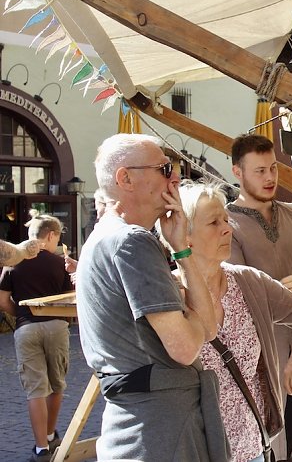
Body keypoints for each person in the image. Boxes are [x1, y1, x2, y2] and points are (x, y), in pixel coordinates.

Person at [75, 134, 225, 462]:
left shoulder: (103, 238)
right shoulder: (131, 242)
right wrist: (192, 318)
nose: (176, 178)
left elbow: (208, 330)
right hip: (161, 429)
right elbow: (187, 347)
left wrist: (181, 251)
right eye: (164, 168)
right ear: (124, 178)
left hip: (143, 423)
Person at [177, 181, 292, 462]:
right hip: (194, 453)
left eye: (226, 219)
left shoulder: (247, 282)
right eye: (214, 222)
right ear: (183, 237)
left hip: (253, 451)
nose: (228, 229)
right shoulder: (168, 296)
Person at [227, 134, 292, 461]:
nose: (270, 177)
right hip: (256, 358)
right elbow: (237, 293)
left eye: (273, 168)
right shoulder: (226, 224)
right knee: (264, 447)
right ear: (237, 172)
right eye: (259, 171)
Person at [0, 212, 73, 462]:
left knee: (35, 391)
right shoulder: (57, 262)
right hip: (57, 326)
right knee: (56, 385)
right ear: (50, 235)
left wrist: (21, 313)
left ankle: (41, 448)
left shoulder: (14, 260)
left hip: (26, 328)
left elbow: (1, 300)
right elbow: (68, 298)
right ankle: (52, 435)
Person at [64, 188, 113, 279]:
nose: (97, 216)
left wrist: (83, 275)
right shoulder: (100, 229)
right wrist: (81, 269)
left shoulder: (115, 233)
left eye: (98, 209)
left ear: (107, 205)